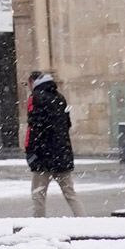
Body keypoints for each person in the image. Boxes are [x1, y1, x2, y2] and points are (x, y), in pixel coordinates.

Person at [23, 71, 80, 216]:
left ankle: (39, 225)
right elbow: (67, 124)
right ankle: (84, 221)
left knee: (38, 194)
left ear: (32, 82)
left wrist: (30, 151)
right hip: (61, 153)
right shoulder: (60, 97)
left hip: (43, 156)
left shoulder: (35, 98)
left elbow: (33, 127)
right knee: (70, 194)